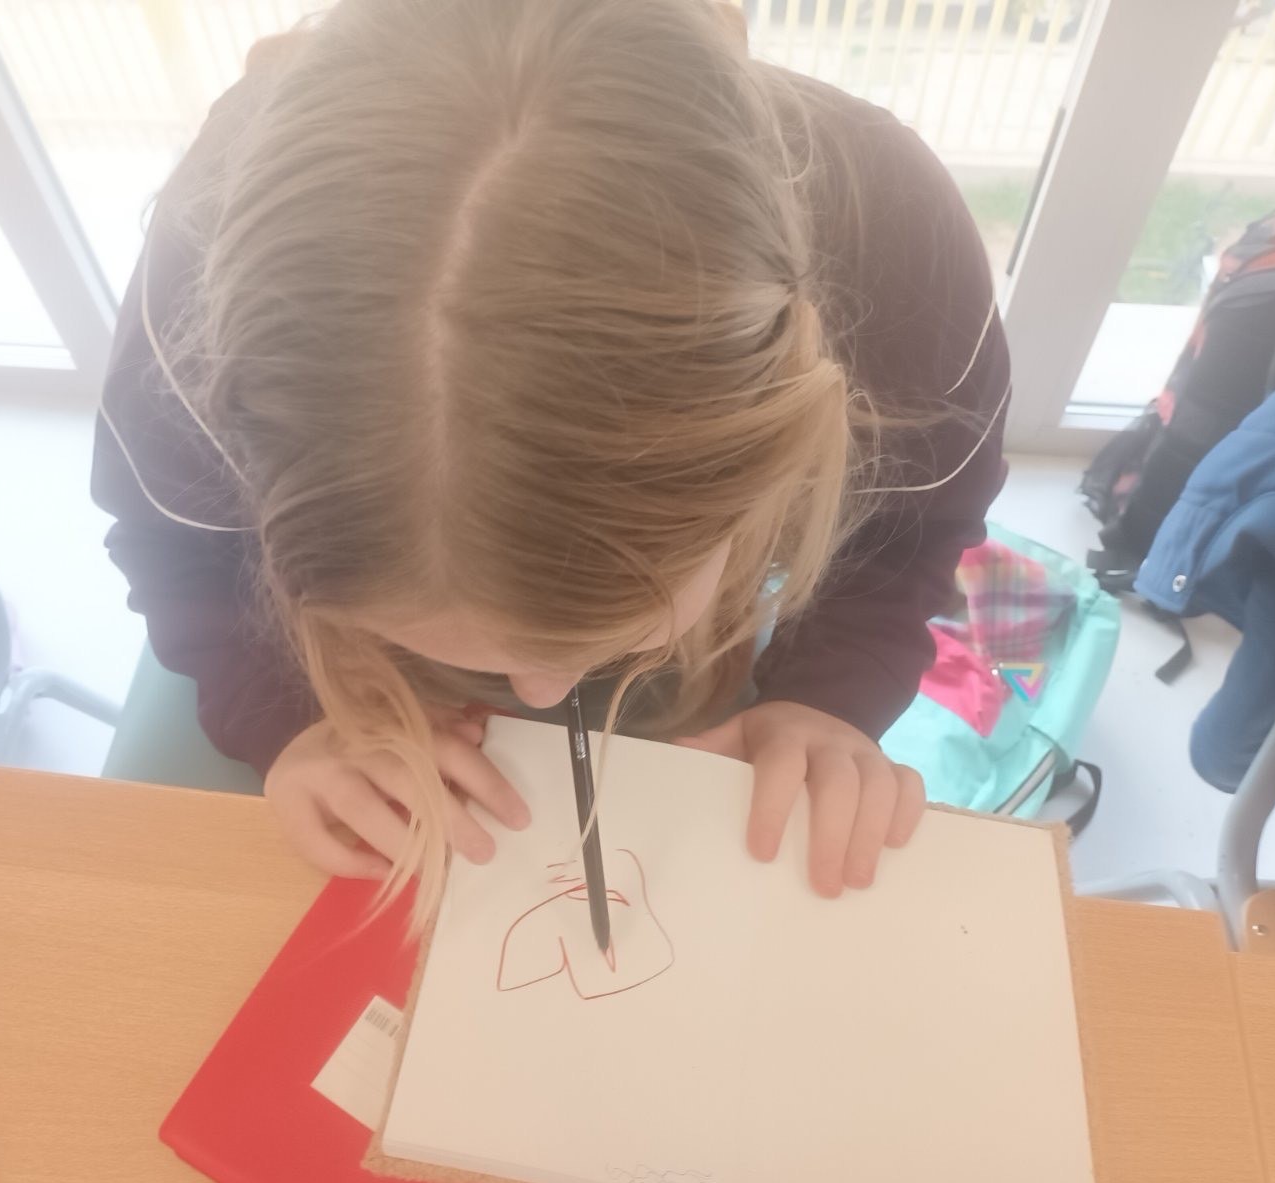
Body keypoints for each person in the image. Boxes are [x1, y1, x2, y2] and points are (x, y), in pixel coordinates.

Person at [93, 0, 1009, 913]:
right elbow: (176, 546)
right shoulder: (197, 280)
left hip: (716, 657)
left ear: (778, 431)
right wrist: (289, 720)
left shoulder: (899, 248)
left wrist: (827, 698)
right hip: (326, 674)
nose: (535, 694)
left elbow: (909, 535)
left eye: (608, 634)